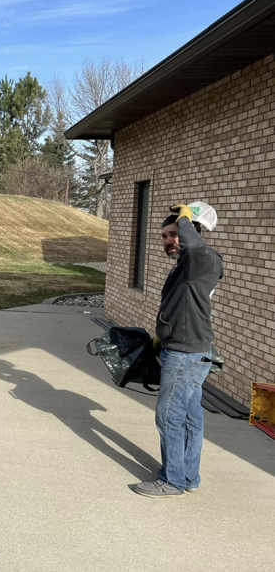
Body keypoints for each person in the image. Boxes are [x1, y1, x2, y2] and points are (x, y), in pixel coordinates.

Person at [132, 203, 223, 498]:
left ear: (191, 231)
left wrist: (186, 218)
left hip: (186, 355)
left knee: (168, 415)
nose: (168, 240)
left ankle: (172, 481)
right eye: (163, 236)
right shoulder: (185, 267)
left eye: (174, 234)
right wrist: (162, 337)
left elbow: (194, 247)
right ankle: (188, 476)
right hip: (184, 349)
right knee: (188, 417)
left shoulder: (203, 260)